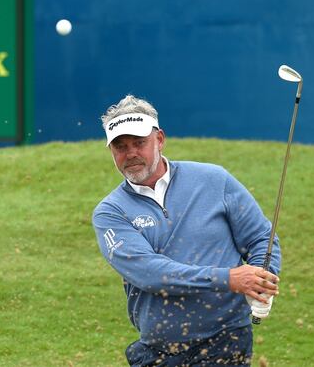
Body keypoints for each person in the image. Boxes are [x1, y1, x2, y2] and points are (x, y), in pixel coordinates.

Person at [92, 94, 282, 366]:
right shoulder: (111, 212)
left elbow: (261, 237)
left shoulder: (214, 180)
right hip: (159, 350)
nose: (130, 153)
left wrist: (264, 278)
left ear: (159, 139)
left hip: (226, 340)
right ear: (111, 151)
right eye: (120, 146)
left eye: (139, 142)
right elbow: (150, 273)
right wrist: (227, 279)